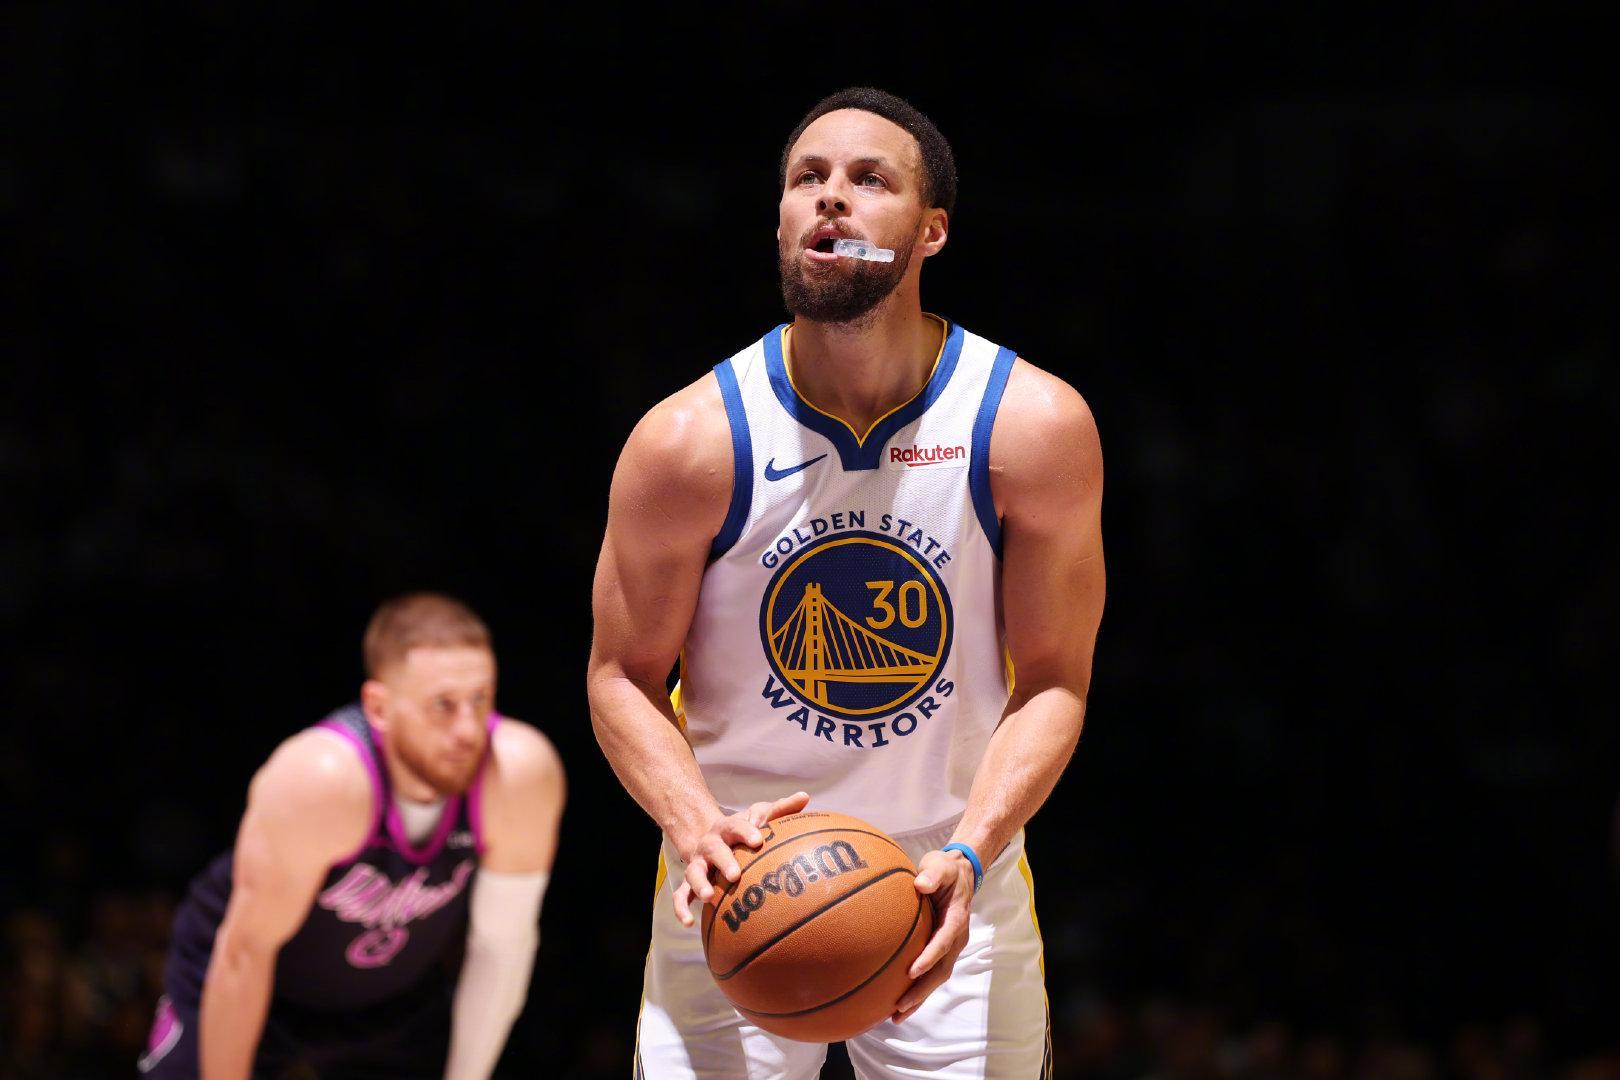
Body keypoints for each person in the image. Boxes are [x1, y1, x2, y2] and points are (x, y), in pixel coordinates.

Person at [587, 87, 1105, 1077]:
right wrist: (696, 829)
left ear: (931, 230)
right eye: (807, 179)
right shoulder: (687, 442)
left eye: (870, 180)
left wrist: (972, 849)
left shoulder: (1031, 428)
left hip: (950, 872)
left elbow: (1053, 681)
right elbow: (620, 676)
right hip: (733, 876)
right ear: (781, 221)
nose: (831, 197)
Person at [139, 593, 565, 1079]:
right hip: (254, 983)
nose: (469, 730)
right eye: (442, 705)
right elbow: (245, 954)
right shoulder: (320, 781)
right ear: (378, 708)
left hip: (391, 1005)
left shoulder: (519, 776)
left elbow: (501, 949)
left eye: (480, 699)